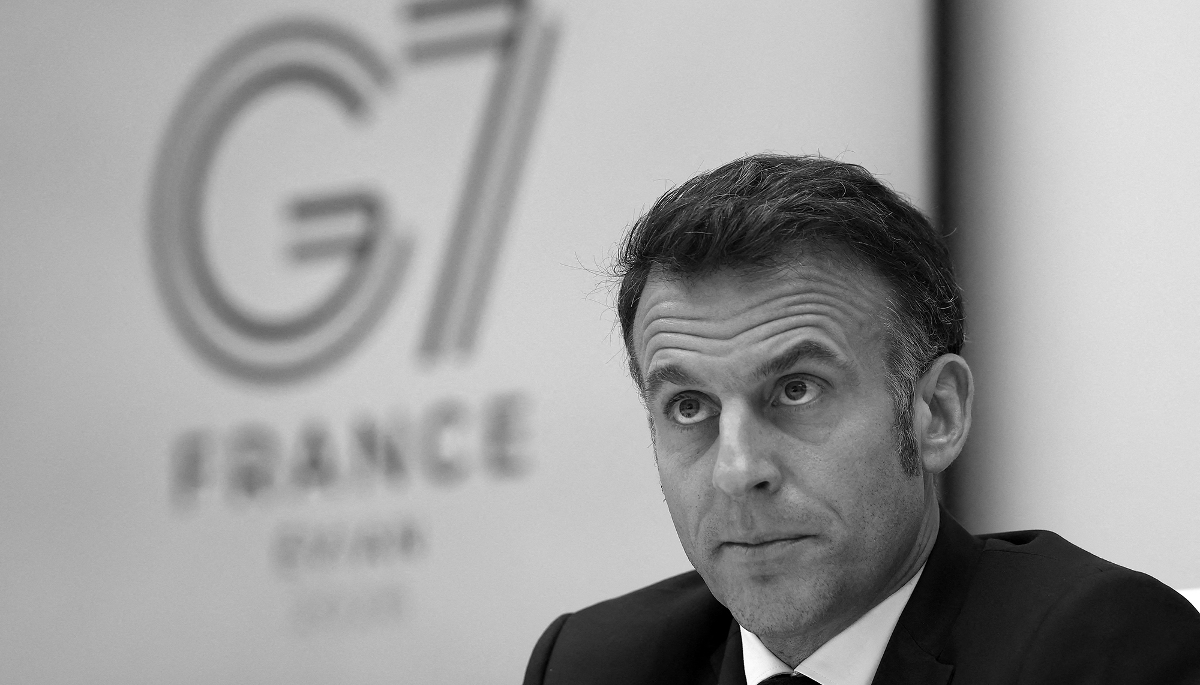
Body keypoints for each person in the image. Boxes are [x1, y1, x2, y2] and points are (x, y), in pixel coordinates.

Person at [522, 154, 1200, 685]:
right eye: (689, 407)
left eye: (796, 389)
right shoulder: (592, 663)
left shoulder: (1095, 648)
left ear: (936, 412)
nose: (737, 469)